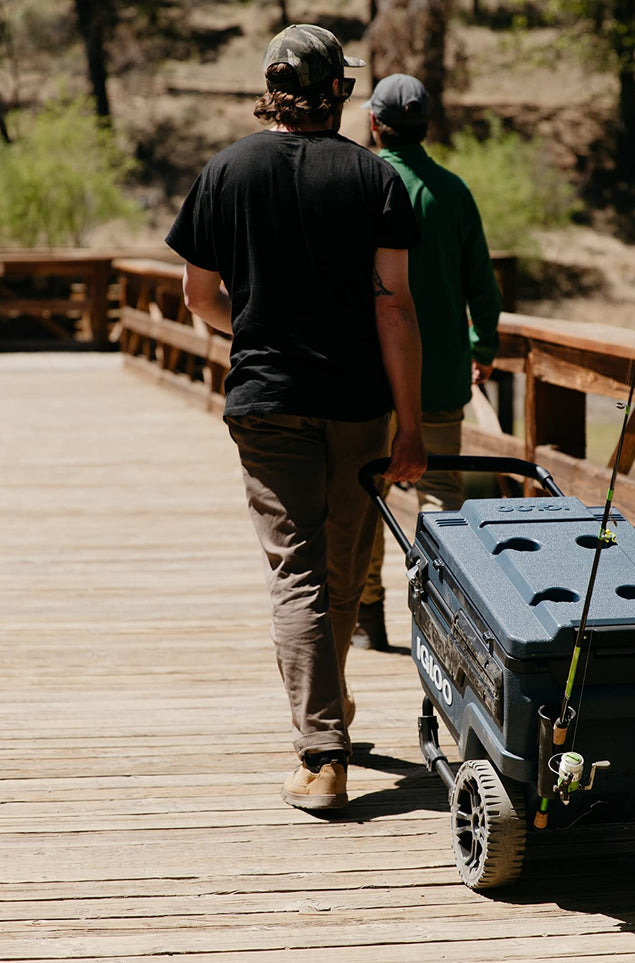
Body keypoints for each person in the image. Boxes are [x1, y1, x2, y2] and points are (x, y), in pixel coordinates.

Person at [165, 25, 427, 813]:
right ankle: (327, 725)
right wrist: (409, 424)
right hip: (357, 404)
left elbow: (198, 296)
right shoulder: (373, 177)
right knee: (340, 564)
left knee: (301, 571)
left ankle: (322, 749)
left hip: (267, 402)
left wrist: (252, 331)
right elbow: (395, 307)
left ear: (271, 86)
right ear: (339, 92)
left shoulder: (225, 170)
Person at [352, 73, 503, 651]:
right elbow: (482, 289)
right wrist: (482, 346)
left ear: (374, 123)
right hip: (438, 375)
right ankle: (441, 619)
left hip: (371, 376)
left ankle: (368, 618)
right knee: (441, 497)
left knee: (369, 495)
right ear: (427, 126)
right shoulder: (454, 192)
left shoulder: (362, 186)